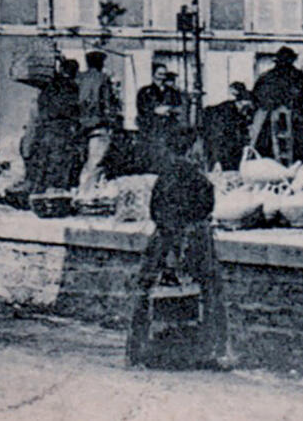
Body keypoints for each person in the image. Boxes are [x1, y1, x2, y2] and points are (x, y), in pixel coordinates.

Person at [127, 136, 228, 369]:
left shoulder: (163, 179)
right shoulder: (200, 180)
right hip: (195, 241)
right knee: (209, 292)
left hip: (163, 239)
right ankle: (208, 350)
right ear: (193, 149)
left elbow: (155, 211)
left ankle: (139, 350)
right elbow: (206, 208)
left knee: (146, 289)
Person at [25, 58, 82, 194]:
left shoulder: (49, 86)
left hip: (45, 130)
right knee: (60, 164)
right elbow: (75, 110)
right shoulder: (73, 87)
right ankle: (56, 193)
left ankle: (36, 191)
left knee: (42, 162)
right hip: (63, 130)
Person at [249, 47, 303, 162]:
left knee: (265, 150)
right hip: (293, 120)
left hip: (269, 120)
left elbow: (255, 98)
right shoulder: (298, 76)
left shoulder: (266, 77)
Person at [76, 51, 120, 194]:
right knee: (96, 162)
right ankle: (86, 194)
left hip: (79, 125)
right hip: (98, 125)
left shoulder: (79, 78)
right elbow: (107, 103)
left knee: (83, 161)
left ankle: (80, 191)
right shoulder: (102, 78)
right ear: (100, 63)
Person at [202, 83, 254, 171]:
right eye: (245, 107)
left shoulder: (240, 112)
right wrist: (217, 160)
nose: (246, 112)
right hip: (216, 142)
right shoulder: (223, 113)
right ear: (239, 102)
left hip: (229, 144)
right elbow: (217, 137)